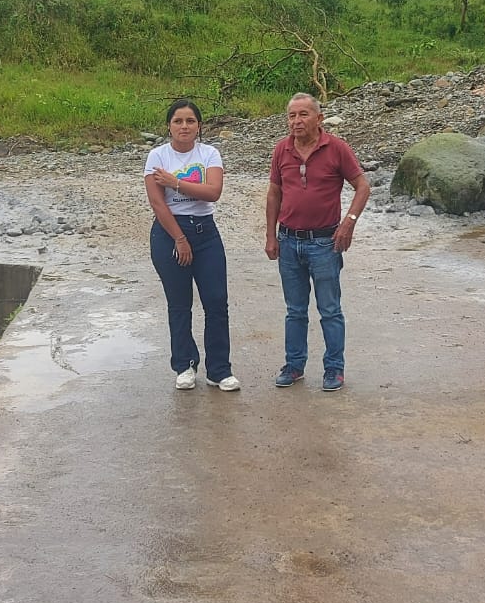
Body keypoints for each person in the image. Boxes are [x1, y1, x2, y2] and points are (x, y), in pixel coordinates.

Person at [265, 92, 370, 392]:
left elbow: (362, 186)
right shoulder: (282, 149)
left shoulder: (336, 148)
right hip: (289, 242)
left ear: (319, 118)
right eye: (292, 115)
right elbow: (274, 193)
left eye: (303, 114)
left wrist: (348, 223)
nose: (296, 121)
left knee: (330, 310)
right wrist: (271, 235)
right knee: (295, 310)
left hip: (325, 243)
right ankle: (294, 365)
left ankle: (334, 369)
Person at [145, 99, 240, 392]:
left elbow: (212, 192)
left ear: (199, 126)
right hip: (169, 232)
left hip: (205, 233)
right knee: (179, 303)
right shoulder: (157, 156)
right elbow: (157, 203)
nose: (184, 126)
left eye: (190, 121)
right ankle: (184, 365)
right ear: (169, 126)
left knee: (216, 301)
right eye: (178, 121)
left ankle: (219, 370)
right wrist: (179, 238)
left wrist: (174, 182)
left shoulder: (209, 154)